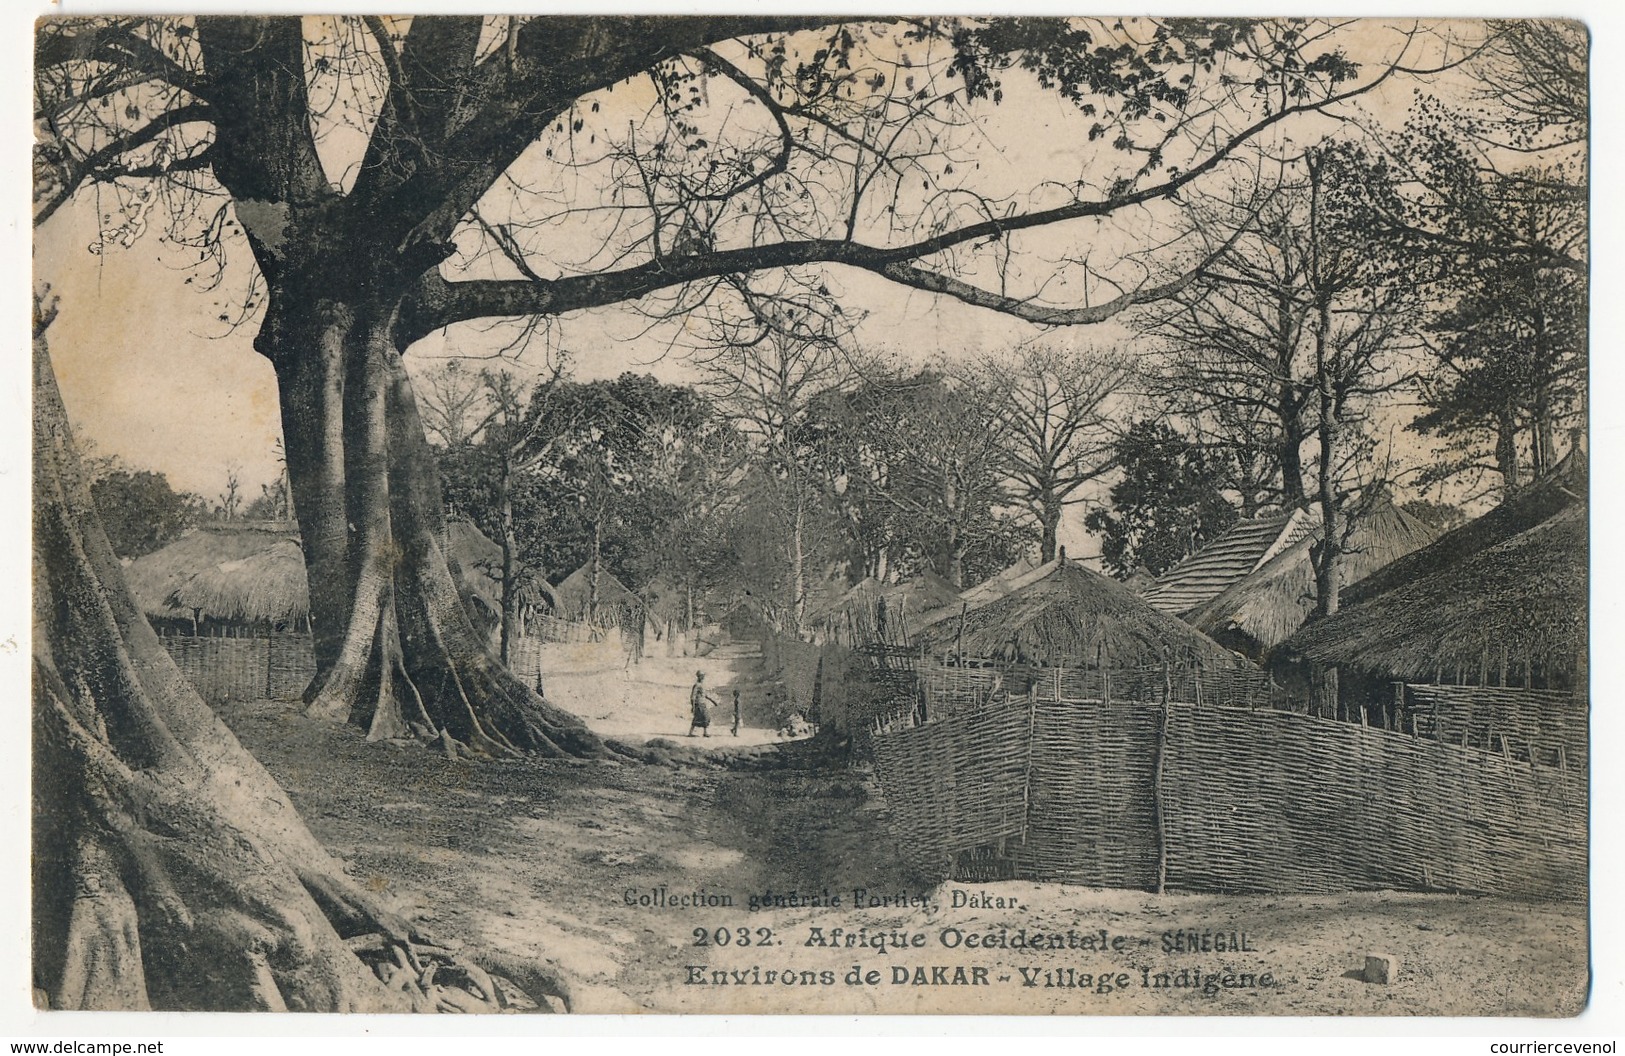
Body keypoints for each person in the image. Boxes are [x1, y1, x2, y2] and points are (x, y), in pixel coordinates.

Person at [687, 670, 716, 737]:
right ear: (699, 677)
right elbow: (693, 696)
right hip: (698, 704)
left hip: (703, 703)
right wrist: (693, 706)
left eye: (703, 676)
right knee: (700, 717)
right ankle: (690, 733)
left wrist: (712, 701)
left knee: (705, 717)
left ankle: (704, 733)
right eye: (701, 676)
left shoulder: (702, 685)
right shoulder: (697, 685)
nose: (703, 677)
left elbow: (705, 695)